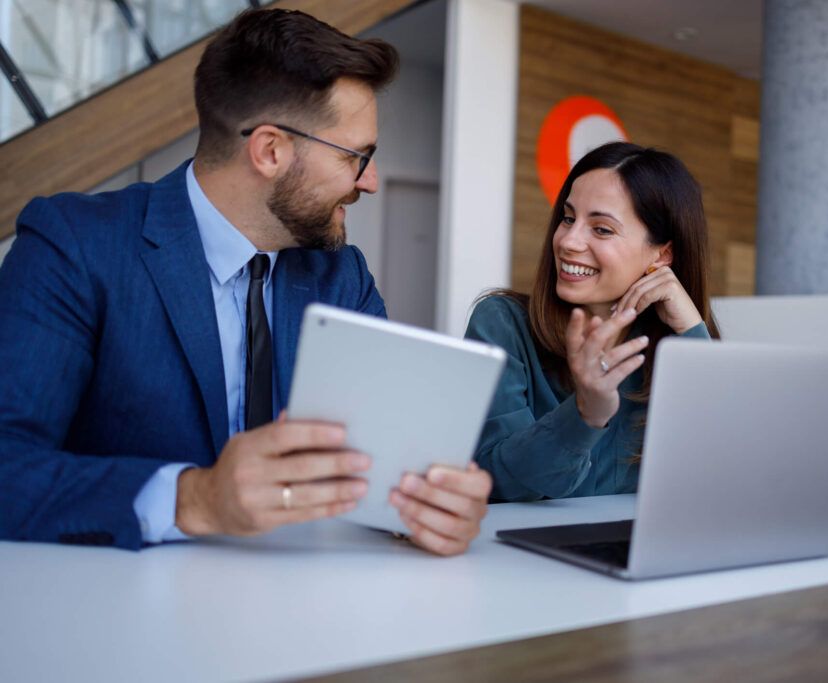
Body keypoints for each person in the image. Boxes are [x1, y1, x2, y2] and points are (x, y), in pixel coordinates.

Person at [0, 8, 490, 555]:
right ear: (271, 150)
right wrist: (197, 499)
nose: (370, 181)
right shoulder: (74, 244)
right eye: (358, 157)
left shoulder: (340, 274)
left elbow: (390, 456)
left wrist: (429, 503)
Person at [466, 141, 719, 502]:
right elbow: (496, 482)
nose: (568, 241)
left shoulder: (676, 344)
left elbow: (721, 473)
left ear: (662, 254)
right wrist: (586, 414)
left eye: (601, 229)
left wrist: (694, 332)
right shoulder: (502, 322)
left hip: (642, 552)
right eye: (568, 218)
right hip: (521, 554)